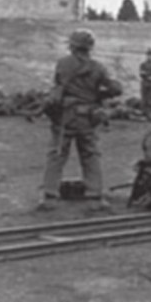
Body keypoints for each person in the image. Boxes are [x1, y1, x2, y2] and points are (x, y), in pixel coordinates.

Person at [38, 29, 123, 212]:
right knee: (90, 156)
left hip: (65, 117)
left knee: (56, 156)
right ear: (89, 48)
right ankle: (95, 198)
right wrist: (99, 94)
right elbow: (115, 89)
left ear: (72, 46)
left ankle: (50, 197)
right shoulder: (98, 68)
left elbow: (58, 87)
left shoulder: (63, 64)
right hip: (88, 118)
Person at [139, 48, 151, 119]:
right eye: (148, 55)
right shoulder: (142, 64)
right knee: (144, 99)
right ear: (146, 56)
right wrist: (147, 75)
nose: (149, 57)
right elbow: (141, 74)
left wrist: (146, 74)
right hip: (144, 83)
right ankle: (144, 113)